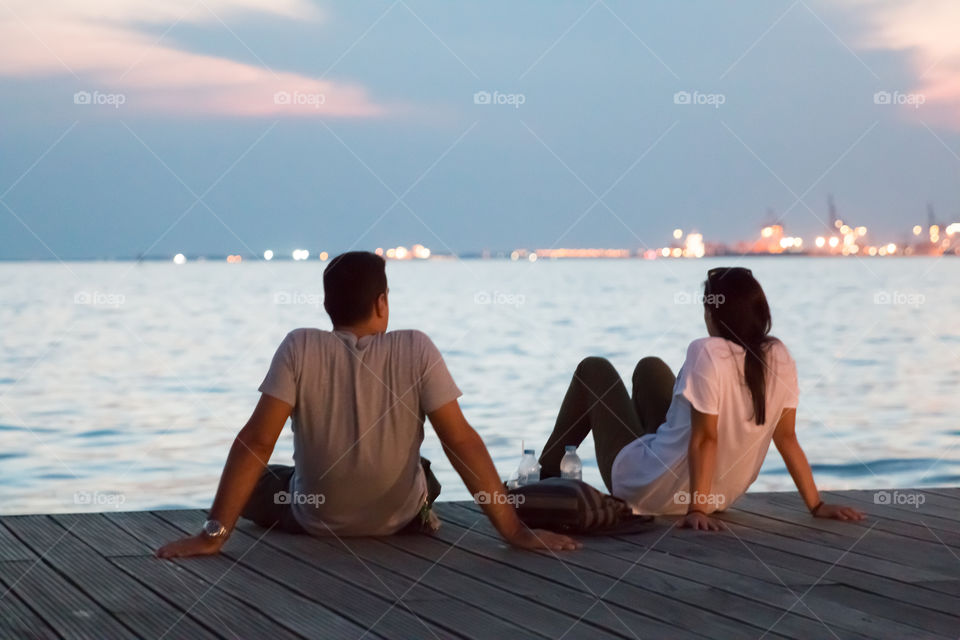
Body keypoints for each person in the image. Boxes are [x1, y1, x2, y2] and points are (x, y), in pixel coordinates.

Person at [158, 251, 579, 558]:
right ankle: (421, 510)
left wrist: (212, 535)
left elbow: (256, 439)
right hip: (398, 517)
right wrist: (517, 532)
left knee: (265, 481)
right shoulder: (416, 348)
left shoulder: (299, 346)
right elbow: (461, 443)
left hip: (315, 519)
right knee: (426, 471)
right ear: (381, 303)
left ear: (328, 308)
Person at [539, 267, 864, 531]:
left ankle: (544, 474)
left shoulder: (707, 351)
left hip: (649, 490)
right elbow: (787, 438)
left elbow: (705, 437)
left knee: (593, 369)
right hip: (718, 497)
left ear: (714, 313)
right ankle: (644, 457)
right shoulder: (779, 355)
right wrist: (817, 505)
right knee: (650, 367)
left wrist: (695, 510)